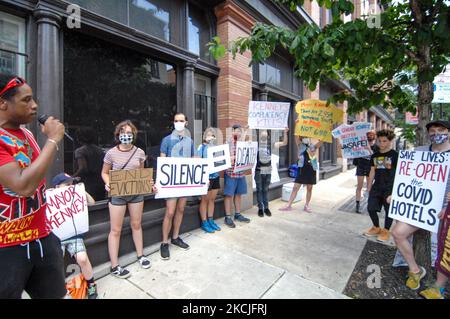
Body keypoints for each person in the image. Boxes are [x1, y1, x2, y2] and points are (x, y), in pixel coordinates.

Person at [0, 73, 66, 298]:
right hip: (6, 247)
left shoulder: (26, 133)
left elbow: (36, 174)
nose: (35, 105)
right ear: (2, 103)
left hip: (42, 237)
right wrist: (53, 140)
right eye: (26, 100)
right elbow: (22, 186)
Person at [391, 120, 450, 293]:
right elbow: (406, 177)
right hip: (422, 207)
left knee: (444, 247)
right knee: (397, 233)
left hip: (445, 210)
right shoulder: (419, 153)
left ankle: (439, 287)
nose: (436, 133)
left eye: (441, 129)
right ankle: (415, 270)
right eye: (432, 130)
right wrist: (397, 195)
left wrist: (447, 206)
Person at [101, 120, 151, 279]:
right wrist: (108, 183)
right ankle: (114, 266)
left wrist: (149, 183)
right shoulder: (110, 153)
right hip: (118, 194)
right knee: (115, 230)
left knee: (136, 225)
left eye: (129, 133)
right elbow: (104, 173)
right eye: (123, 133)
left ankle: (140, 255)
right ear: (118, 134)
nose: (126, 136)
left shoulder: (140, 152)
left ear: (134, 135)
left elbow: (141, 173)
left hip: (136, 193)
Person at [51, 173, 98, 299]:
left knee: (82, 258)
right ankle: (60, 290)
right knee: (56, 263)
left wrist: (82, 190)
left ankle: (91, 285)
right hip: (56, 238)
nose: (71, 186)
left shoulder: (75, 196)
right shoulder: (50, 198)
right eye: (67, 184)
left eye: (72, 183)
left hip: (74, 235)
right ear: (56, 187)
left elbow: (92, 203)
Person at [159, 113, 195, 260]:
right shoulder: (166, 140)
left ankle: (175, 237)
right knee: (170, 211)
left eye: (181, 120)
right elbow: (162, 160)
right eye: (176, 121)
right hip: (171, 183)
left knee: (180, 209)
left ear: (186, 122)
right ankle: (164, 242)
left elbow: (193, 161)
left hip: (184, 181)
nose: (178, 123)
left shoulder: (190, 141)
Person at [363, 129, 398, 243]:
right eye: (380, 141)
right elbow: (372, 171)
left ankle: (386, 231)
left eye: (384, 141)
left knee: (389, 211)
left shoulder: (395, 155)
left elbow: (400, 174)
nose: (382, 144)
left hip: (390, 188)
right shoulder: (375, 155)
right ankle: (376, 227)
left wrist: (395, 191)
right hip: (377, 186)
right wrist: (368, 187)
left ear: (390, 141)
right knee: (370, 208)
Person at [279, 136, 323, 213]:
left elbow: (321, 142)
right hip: (301, 169)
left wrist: (322, 137)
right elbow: (295, 136)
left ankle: (306, 205)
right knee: (295, 187)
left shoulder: (313, 146)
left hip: (311, 169)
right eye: (304, 137)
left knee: (309, 188)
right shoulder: (300, 145)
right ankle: (288, 205)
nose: (305, 138)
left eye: (307, 137)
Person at [255, 128, 289, 217]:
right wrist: (246, 130)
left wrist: (285, 133)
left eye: (265, 130)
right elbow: (244, 143)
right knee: (259, 190)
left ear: (268, 134)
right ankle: (260, 208)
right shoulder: (256, 144)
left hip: (267, 170)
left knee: (265, 190)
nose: (263, 132)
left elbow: (284, 143)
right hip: (259, 169)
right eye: (262, 130)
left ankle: (266, 208)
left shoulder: (271, 144)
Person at [223, 124, 252, 228]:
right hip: (231, 173)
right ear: (232, 132)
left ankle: (238, 214)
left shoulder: (242, 143)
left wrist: (247, 132)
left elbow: (245, 149)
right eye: (237, 131)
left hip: (241, 173)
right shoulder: (228, 142)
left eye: (240, 131)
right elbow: (226, 156)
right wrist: (235, 156)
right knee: (229, 195)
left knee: (238, 194)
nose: (238, 133)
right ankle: (227, 217)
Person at [197, 127, 222, 233]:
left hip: (215, 176)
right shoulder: (201, 147)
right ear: (204, 136)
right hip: (205, 178)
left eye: (212, 135)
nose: (210, 137)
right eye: (208, 135)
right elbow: (197, 162)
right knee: (204, 200)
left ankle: (211, 220)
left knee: (212, 199)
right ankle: (204, 222)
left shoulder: (216, 147)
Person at [73, 127, 105, 200]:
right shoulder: (100, 150)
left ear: (80, 138)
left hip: (88, 184)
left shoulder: (80, 151)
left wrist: (72, 177)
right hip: (100, 182)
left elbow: (83, 168)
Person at [353, 130, 379, 213]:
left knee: (369, 187)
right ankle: (357, 205)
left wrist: (369, 149)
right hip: (361, 166)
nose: (370, 136)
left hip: (370, 168)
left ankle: (369, 205)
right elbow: (354, 153)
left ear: (374, 136)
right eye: (368, 135)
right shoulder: (361, 145)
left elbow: (376, 158)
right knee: (359, 186)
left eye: (372, 135)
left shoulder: (376, 147)